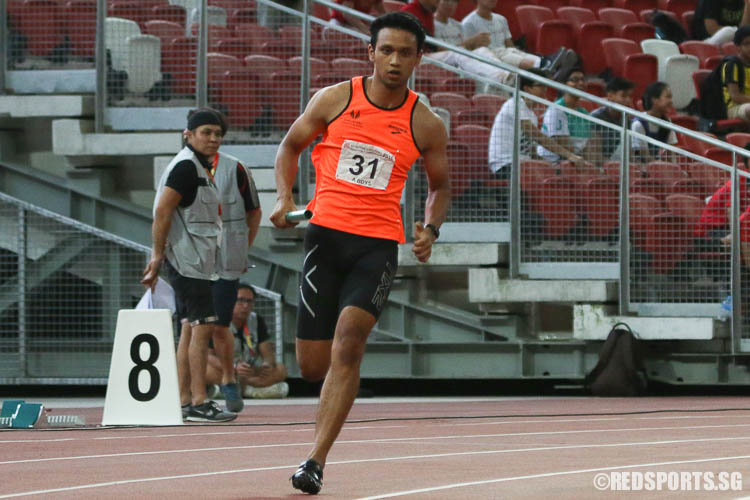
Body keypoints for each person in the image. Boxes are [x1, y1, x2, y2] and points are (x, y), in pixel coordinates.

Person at [270, 12, 451, 494]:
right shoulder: (334, 99)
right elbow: (289, 147)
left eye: (405, 52)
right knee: (312, 366)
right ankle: (328, 401)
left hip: (376, 246)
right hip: (324, 238)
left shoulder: (425, 122)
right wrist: (285, 198)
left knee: (349, 341)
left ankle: (314, 460)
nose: (394, 60)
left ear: (418, 58)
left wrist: (430, 228)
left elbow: (441, 187)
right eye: (386, 50)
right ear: (370, 52)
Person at [141, 107, 236, 423]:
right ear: (189, 135)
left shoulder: (199, 167)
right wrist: (156, 256)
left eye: (217, 134)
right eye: (206, 132)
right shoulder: (185, 168)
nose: (213, 139)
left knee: (189, 326)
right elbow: (163, 212)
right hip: (186, 261)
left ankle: (184, 399)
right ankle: (198, 400)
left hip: (195, 260)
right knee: (202, 325)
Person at [488, 68, 586, 180]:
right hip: (505, 164)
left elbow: (531, 150)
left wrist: (549, 165)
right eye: (541, 85)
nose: (545, 89)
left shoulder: (531, 114)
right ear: (527, 88)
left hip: (524, 163)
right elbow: (537, 136)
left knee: (557, 176)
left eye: (545, 85)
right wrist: (569, 155)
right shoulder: (515, 104)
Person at [205, 284, 289, 398]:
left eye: (250, 302)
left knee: (280, 369)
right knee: (205, 370)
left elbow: (267, 353)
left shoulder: (256, 320)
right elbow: (208, 356)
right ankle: (249, 389)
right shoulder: (218, 321)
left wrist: (266, 365)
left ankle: (242, 389)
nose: (245, 306)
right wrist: (233, 367)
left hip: (249, 371)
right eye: (240, 301)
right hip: (225, 369)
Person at [460, 0, 577, 77]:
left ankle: (548, 64)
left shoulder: (501, 19)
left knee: (516, 53)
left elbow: (509, 44)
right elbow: (468, 52)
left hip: (507, 51)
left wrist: (518, 53)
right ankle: (547, 65)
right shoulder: (468, 23)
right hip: (491, 57)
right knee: (509, 56)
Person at [537, 67, 597, 165]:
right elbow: (563, 144)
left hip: (575, 162)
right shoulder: (556, 110)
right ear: (563, 85)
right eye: (574, 80)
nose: (581, 83)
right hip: (552, 163)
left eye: (583, 80)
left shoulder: (584, 113)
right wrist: (583, 162)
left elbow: (588, 146)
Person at [590, 77, 635, 163]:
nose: (628, 100)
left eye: (630, 96)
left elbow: (629, 154)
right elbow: (595, 155)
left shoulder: (627, 120)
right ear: (610, 96)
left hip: (617, 167)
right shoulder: (596, 117)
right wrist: (614, 167)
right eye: (624, 96)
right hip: (599, 168)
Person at [631, 82, 678, 162]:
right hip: (638, 168)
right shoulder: (638, 124)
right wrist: (662, 168)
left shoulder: (667, 122)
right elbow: (644, 157)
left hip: (655, 167)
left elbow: (672, 154)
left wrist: (675, 170)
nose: (671, 101)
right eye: (668, 97)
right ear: (654, 100)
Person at [722, 25, 750, 121]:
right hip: (734, 107)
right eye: (747, 44)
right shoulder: (732, 64)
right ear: (738, 47)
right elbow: (735, 97)